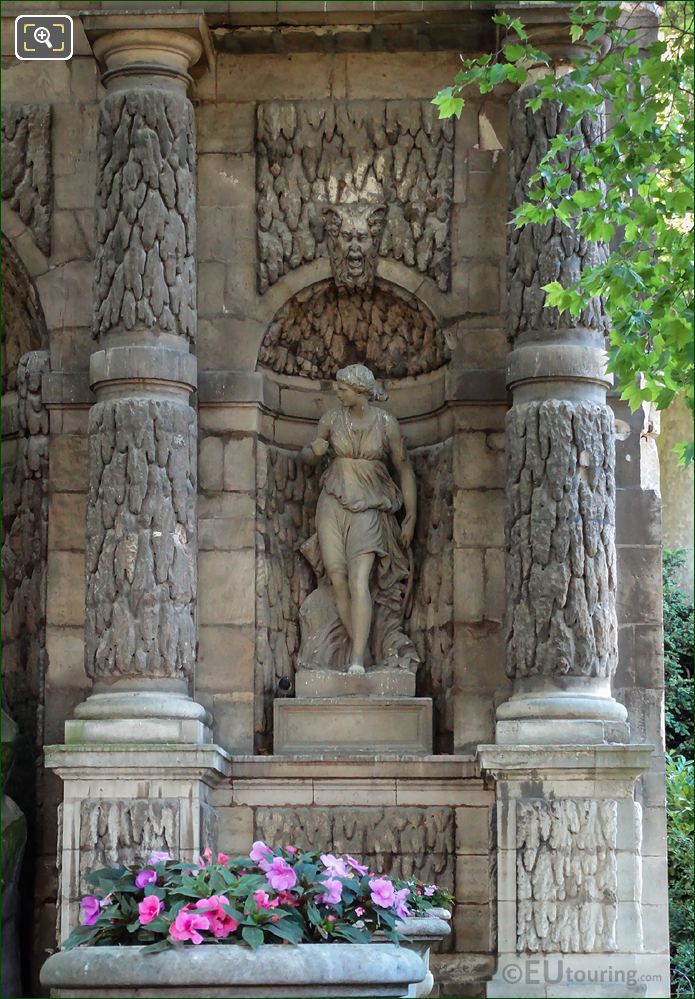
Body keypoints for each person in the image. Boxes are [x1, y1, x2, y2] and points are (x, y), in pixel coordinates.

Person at [299, 363, 418, 674]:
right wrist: (313, 451)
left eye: (342, 387)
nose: (337, 392)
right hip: (332, 502)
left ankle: (356, 658)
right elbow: (308, 457)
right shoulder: (330, 420)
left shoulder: (386, 424)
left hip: (370, 505)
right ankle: (362, 652)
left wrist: (412, 514)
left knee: (358, 580)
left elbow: (404, 469)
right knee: (337, 578)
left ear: (360, 390)